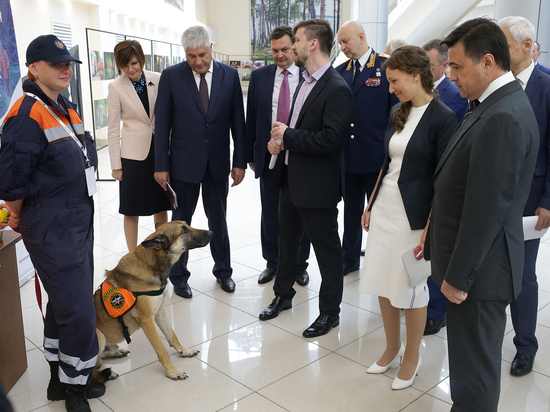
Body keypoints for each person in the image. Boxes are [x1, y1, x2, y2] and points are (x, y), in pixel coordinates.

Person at [429, 18, 538, 411]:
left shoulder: (503, 116)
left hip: (478, 276)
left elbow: (486, 210)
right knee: (469, 371)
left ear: (488, 62)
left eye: (456, 66)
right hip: (476, 267)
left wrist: (458, 278)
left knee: (473, 380)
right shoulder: (491, 104)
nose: (449, 74)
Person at [0, 35, 104, 412]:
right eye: (56, 63)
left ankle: (59, 382)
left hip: (76, 221)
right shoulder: (26, 115)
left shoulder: (62, 106)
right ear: (32, 68)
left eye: (68, 64)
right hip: (52, 226)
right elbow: (10, 183)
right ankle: (77, 388)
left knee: (65, 304)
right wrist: (19, 213)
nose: (65, 69)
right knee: (78, 310)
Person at [359, 46, 456, 390]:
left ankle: (411, 358)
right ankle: (391, 347)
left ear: (417, 76)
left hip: (413, 218)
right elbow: (387, 165)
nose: (391, 88)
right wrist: (370, 204)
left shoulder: (442, 117)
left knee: (411, 289)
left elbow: (443, 179)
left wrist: (430, 226)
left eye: (395, 81)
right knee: (383, 283)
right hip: (385, 208)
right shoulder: (398, 112)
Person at [258, 19, 353, 338]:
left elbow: (331, 140)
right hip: (290, 178)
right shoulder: (305, 81)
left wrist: (290, 136)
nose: (293, 46)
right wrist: (281, 140)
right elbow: (298, 130)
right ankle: (283, 295)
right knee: (287, 244)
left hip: (318, 187)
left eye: (296, 40)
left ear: (313, 43)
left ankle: (329, 313)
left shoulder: (337, 88)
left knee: (327, 253)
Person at [154, 26, 246, 298]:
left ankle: (224, 272)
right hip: (183, 163)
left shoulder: (229, 75)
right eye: (191, 56)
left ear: (211, 47)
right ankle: (179, 276)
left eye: (203, 54)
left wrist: (239, 161)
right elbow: (163, 124)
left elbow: (238, 124)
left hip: (217, 161)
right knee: (181, 222)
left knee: (218, 220)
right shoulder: (171, 76)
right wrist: (161, 165)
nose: (198, 61)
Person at [499, 16, 550, 377]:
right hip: (494, 194)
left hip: (531, 198)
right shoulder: (497, 82)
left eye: (503, 42)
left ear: (527, 45)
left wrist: (547, 200)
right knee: (495, 270)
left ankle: (525, 346)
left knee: (522, 274)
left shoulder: (546, 86)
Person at [246, 26, 311, 286]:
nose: (280, 55)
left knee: (300, 212)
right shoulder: (260, 77)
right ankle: (272, 262)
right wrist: (253, 152)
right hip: (269, 155)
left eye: (285, 49)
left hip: (299, 157)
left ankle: (299, 265)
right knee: (270, 212)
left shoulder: (308, 76)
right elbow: (252, 118)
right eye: (274, 51)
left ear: (294, 47)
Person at [335, 20, 398, 276]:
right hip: (348, 157)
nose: (342, 47)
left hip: (376, 154)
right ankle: (349, 259)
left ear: (361, 37)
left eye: (345, 41)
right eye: (340, 43)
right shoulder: (340, 71)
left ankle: (380, 261)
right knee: (351, 211)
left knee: (379, 212)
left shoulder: (386, 65)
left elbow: (397, 111)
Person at [420, 39, 468, 336]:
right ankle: (420, 301)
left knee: (437, 247)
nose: (424, 68)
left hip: (445, 180)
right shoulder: (421, 92)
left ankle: (437, 311)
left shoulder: (456, 95)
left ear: (444, 65)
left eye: (429, 64)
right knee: (420, 246)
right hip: (420, 179)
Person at [106, 40, 169, 252]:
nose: (130, 69)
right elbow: (113, 128)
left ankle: (162, 249)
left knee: (161, 204)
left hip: (159, 151)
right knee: (131, 209)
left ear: (141, 59)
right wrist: (116, 165)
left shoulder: (158, 79)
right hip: (133, 157)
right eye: (124, 65)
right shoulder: (115, 87)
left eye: (133, 63)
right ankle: (132, 255)